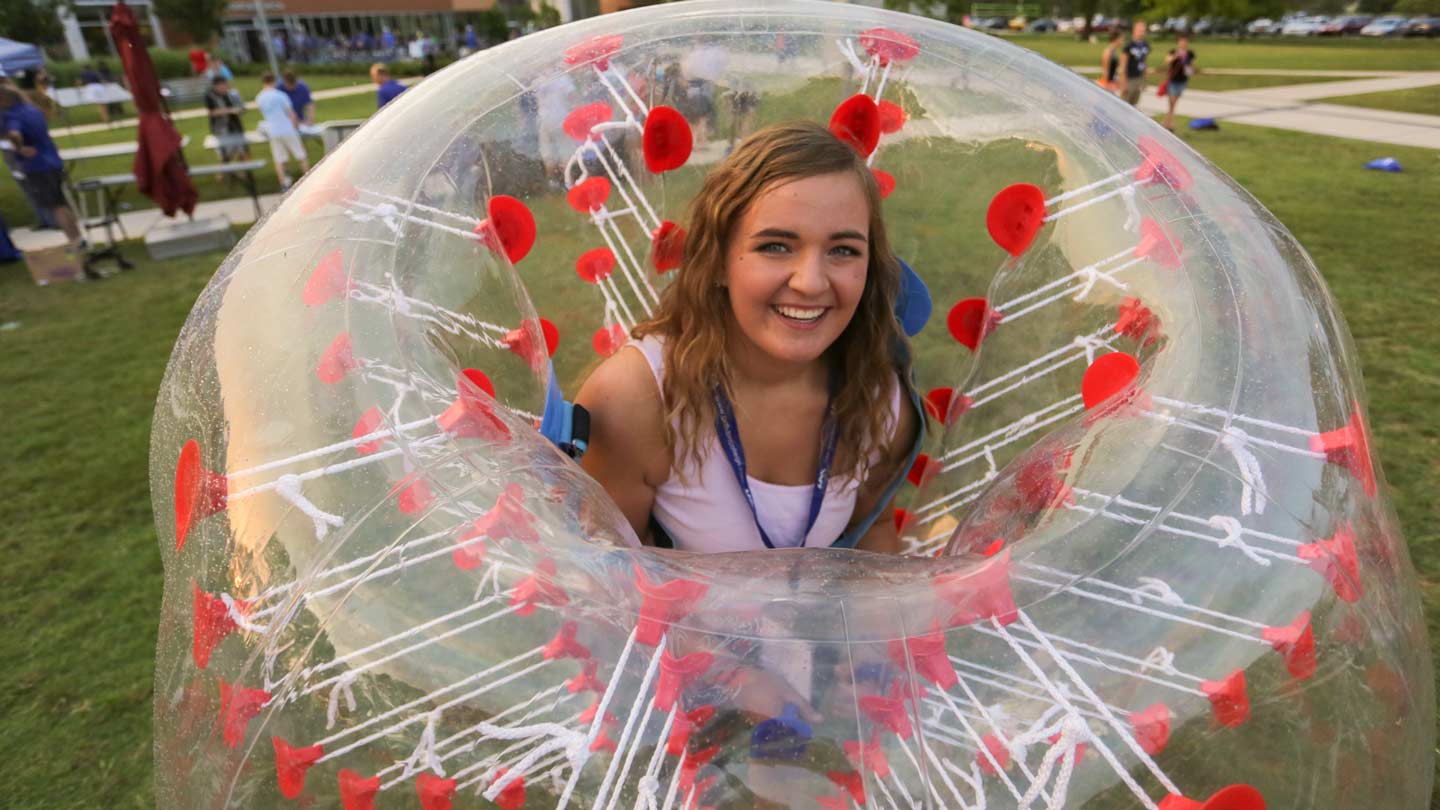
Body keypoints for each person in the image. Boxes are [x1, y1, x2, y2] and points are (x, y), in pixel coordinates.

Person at [575, 121, 920, 554]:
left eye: (843, 250)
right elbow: (608, 583)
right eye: (776, 246)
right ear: (717, 260)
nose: (811, 282)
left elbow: (874, 531)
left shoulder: (879, 399)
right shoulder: (633, 401)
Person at [0, 86, 91, 271]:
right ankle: (78, 239)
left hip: (36, 166)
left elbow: (14, 133)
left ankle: (73, 242)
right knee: (62, 202)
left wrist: (19, 148)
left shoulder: (11, 116)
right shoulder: (32, 109)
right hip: (52, 160)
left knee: (55, 207)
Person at [254, 72, 309, 188]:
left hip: (273, 131)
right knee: (301, 155)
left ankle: (284, 183)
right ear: (274, 81)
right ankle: (308, 178)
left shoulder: (259, 97)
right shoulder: (280, 95)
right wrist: (296, 125)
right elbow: (291, 113)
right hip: (287, 128)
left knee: (279, 159)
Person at [204, 75, 249, 167]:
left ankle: (246, 173)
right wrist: (230, 110)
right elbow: (211, 112)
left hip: (235, 126)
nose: (224, 88)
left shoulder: (231, 94)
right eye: (222, 86)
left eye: (225, 85)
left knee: (242, 150)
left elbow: (241, 108)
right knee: (227, 153)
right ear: (216, 86)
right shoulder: (210, 96)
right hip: (221, 129)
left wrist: (240, 109)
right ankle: (223, 172)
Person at [1162, 36, 1197, 131]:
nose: (1183, 43)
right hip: (1173, 80)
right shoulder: (1173, 51)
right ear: (1178, 42)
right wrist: (1176, 56)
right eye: (1181, 41)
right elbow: (1167, 61)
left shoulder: (1190, 53)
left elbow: (1192, 66)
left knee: (1174, 103)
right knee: (1172, 102)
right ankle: (1170, 123)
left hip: (1183, 80)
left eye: (1185, 41)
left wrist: (1188, 66)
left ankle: (1167, 122)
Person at [1117, 20, 1151, 107]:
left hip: (1138, 77)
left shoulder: (1145, 45)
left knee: (1134, 104)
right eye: (1140, 30)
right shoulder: (1129, 46)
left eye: (1143, 30)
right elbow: (1123, 65)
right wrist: (1123, 81)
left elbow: (1144, 62)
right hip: (1129, 78)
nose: (1142, 33)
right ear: (1134, 30)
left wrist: (1145, 79)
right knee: (1124, 104)